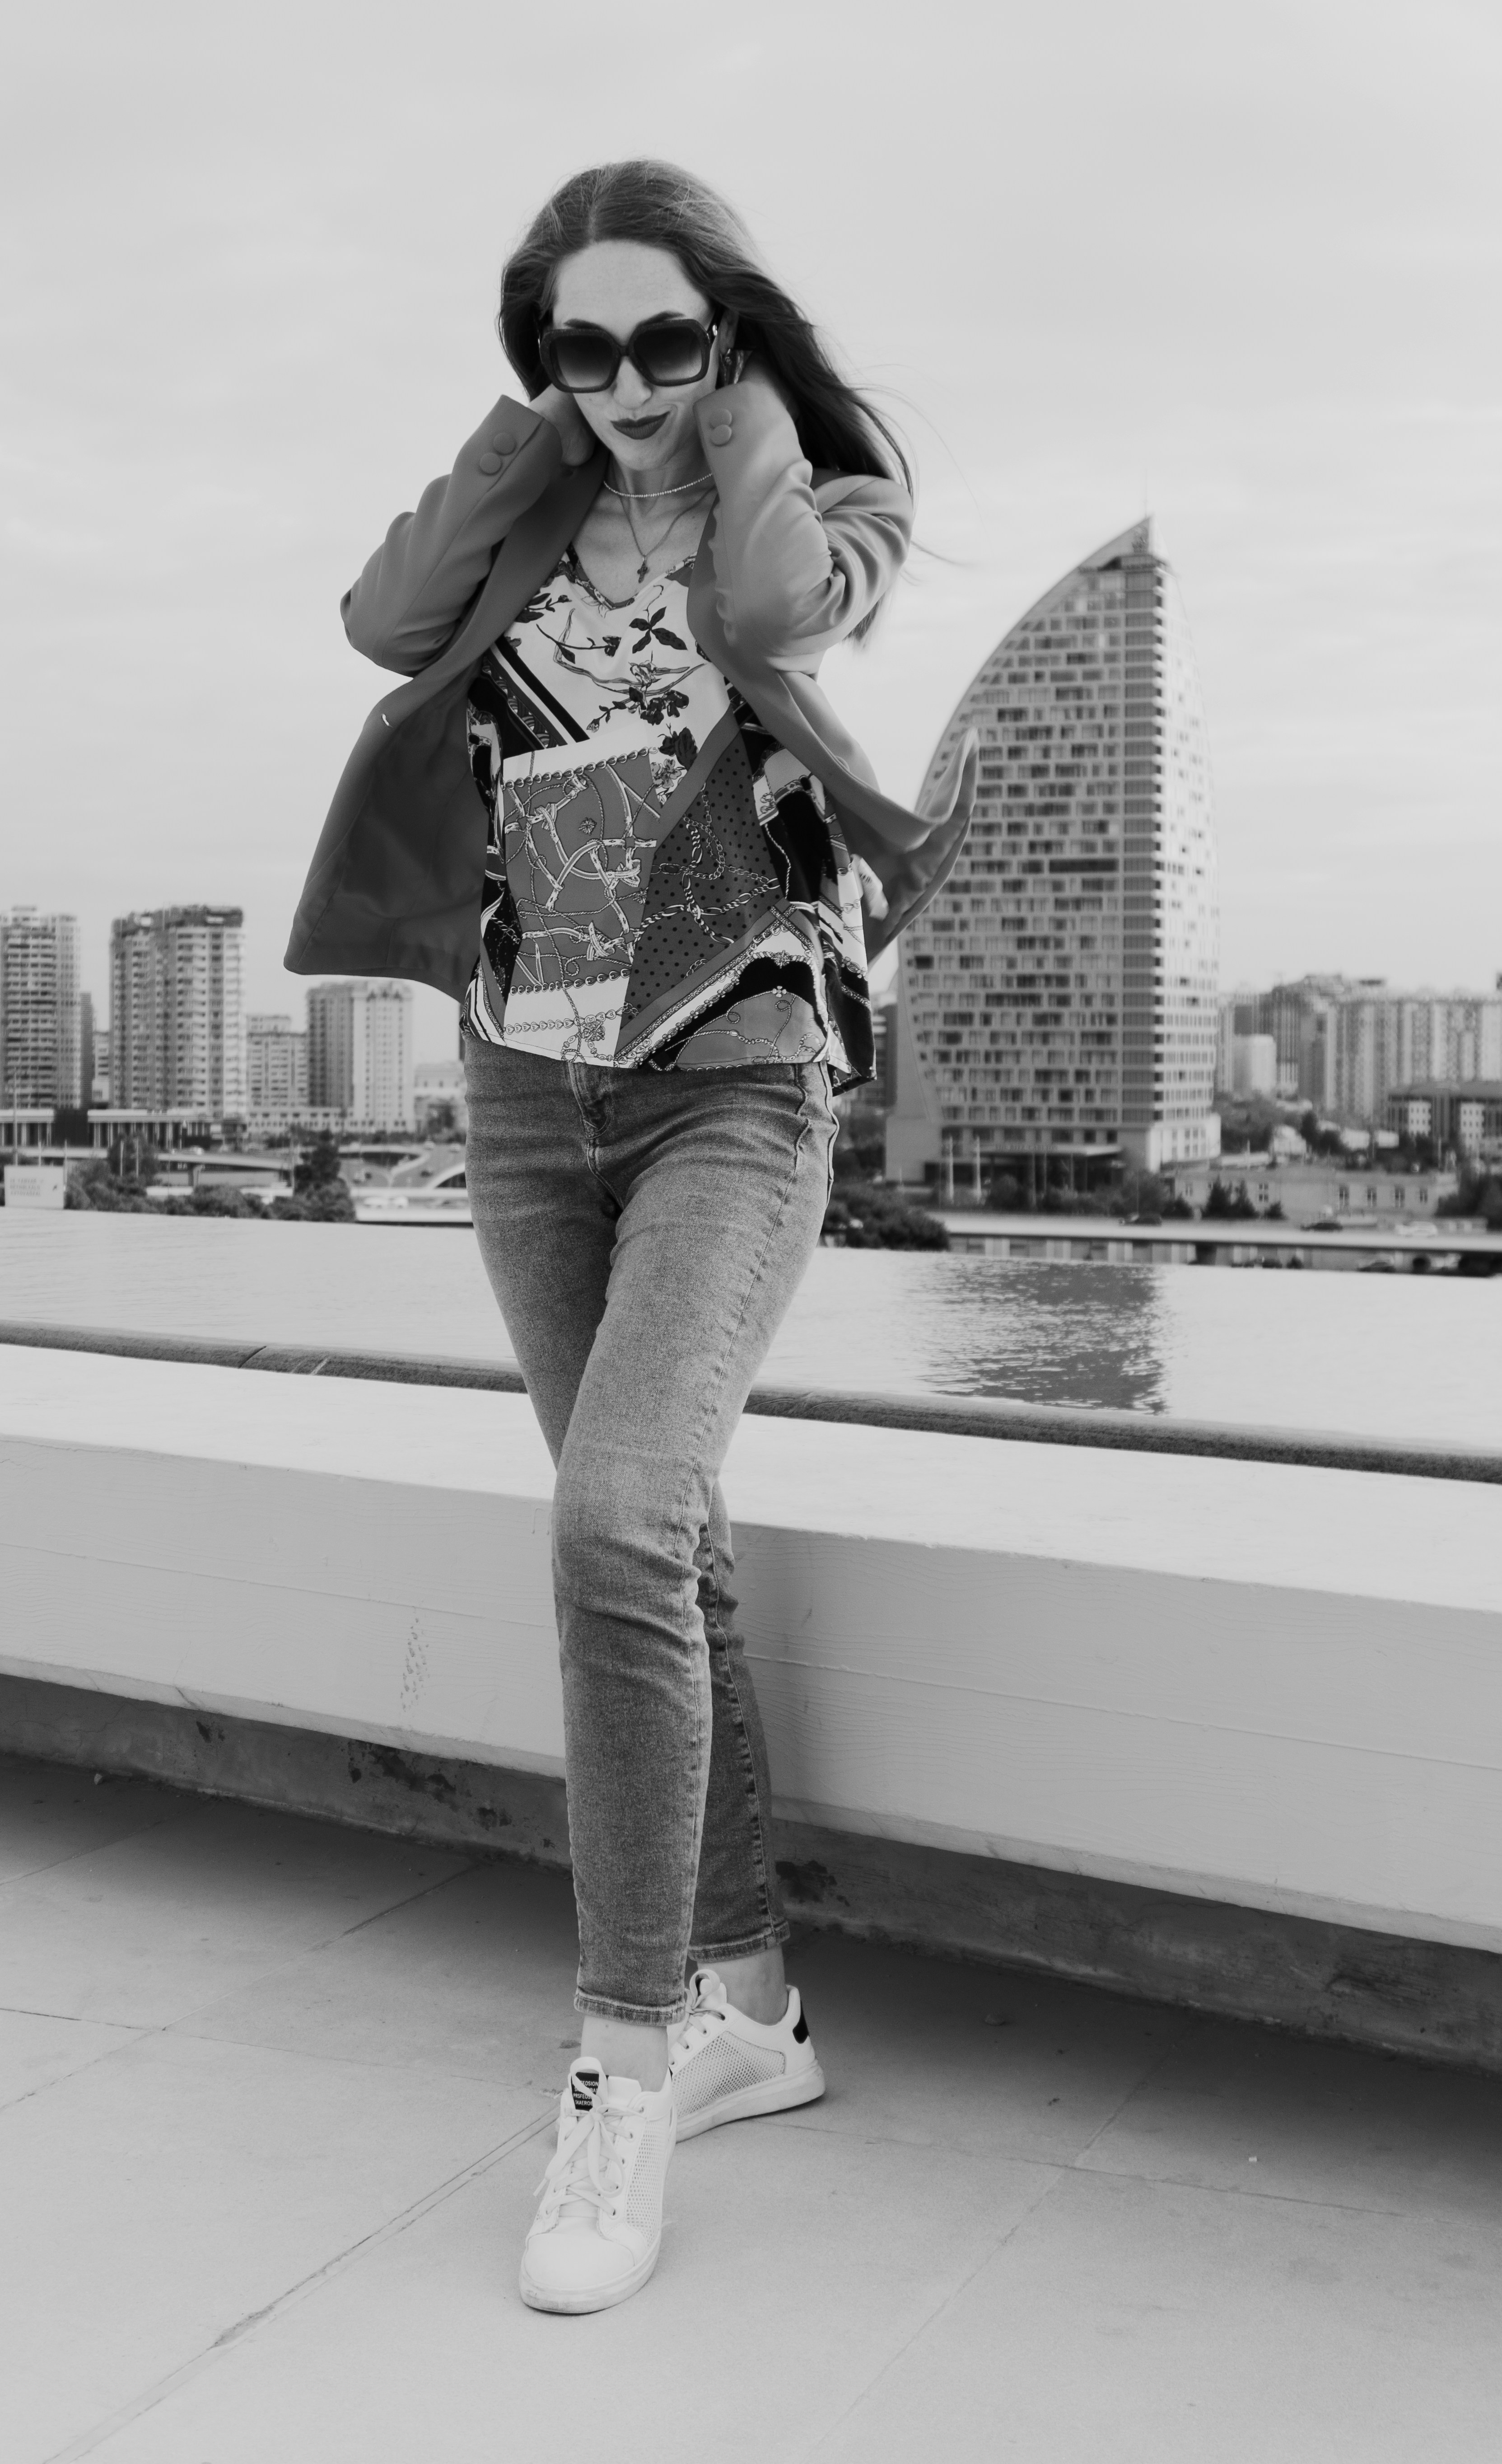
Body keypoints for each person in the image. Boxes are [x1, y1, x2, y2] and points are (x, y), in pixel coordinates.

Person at [287, 160, 975, 2314]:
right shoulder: (522, 506)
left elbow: (773, 614)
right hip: (520, 1082)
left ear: (732, 334)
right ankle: (752, 1997)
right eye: (580, 345)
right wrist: (535, 423)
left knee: (608, 1523)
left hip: (738, 1075)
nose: (624, 384)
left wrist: (738, 408)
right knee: (652, 1537)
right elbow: (382, 624)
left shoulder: (817, 503)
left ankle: (619, 2058)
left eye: (666, 340)